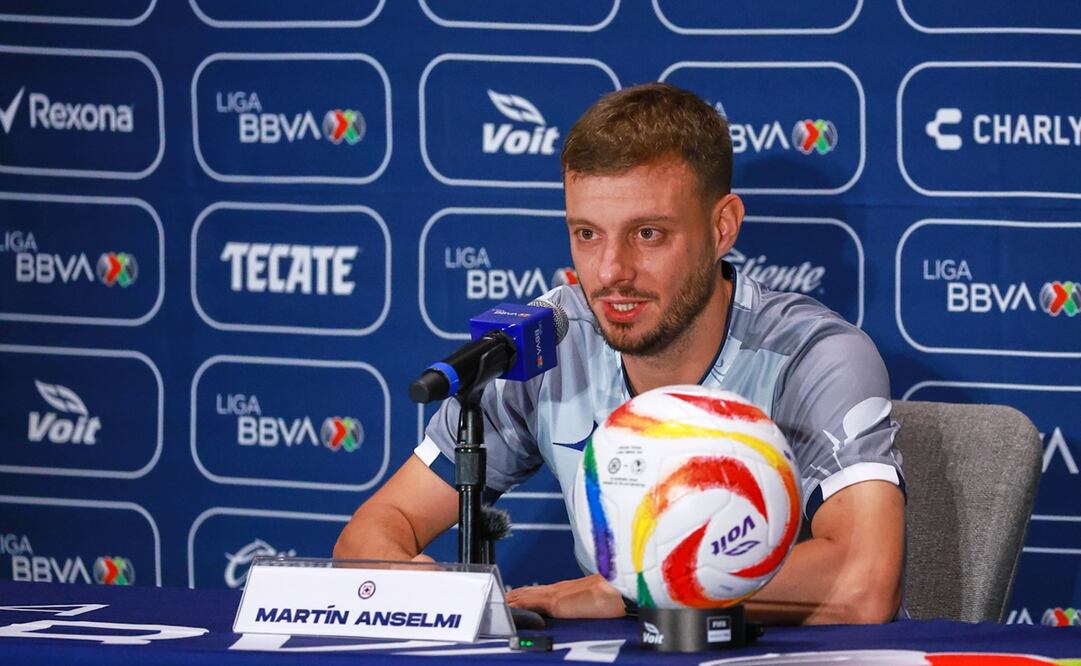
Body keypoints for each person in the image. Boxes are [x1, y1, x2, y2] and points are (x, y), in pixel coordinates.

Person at [334, 82, 906, 625]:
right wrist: (412, 585)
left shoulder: (815, 356)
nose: (610, 273)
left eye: (648, 234)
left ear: (723, 227)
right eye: (587, 234)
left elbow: (862, 583)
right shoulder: (548, 340)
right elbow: (377, 528)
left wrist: (633, 591)